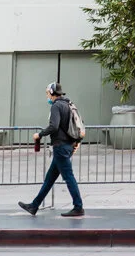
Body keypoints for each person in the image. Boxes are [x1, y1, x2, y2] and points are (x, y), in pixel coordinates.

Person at [17, 81, 84, 217]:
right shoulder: (67, 104)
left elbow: (54, 126)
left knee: (69, 177)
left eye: (47, 93)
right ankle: (34, 206)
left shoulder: (56, 106)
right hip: (67, 146)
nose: (47, 96)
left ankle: (78, 207)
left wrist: (39, 134)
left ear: (52, 93)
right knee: (49, 179)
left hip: (60, 147)